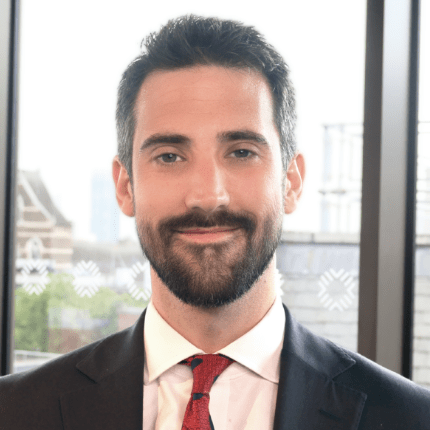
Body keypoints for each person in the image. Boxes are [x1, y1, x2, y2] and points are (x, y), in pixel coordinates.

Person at [1, 14, 430, 430]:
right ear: (126, 186)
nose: (208, 195)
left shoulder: (412, 418)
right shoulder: (13, 412)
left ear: (291, 182)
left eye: (241, 152)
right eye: (170, 156)